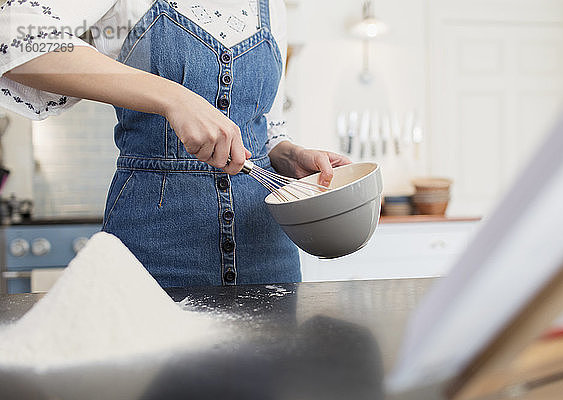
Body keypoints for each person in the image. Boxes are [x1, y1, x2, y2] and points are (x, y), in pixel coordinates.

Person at [0, 0, 350, 287]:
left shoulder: (272, 6)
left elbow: (267, 123)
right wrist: (173, 96)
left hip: (266, 249)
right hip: (153, 245)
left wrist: (287, 153)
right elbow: (14, 36)